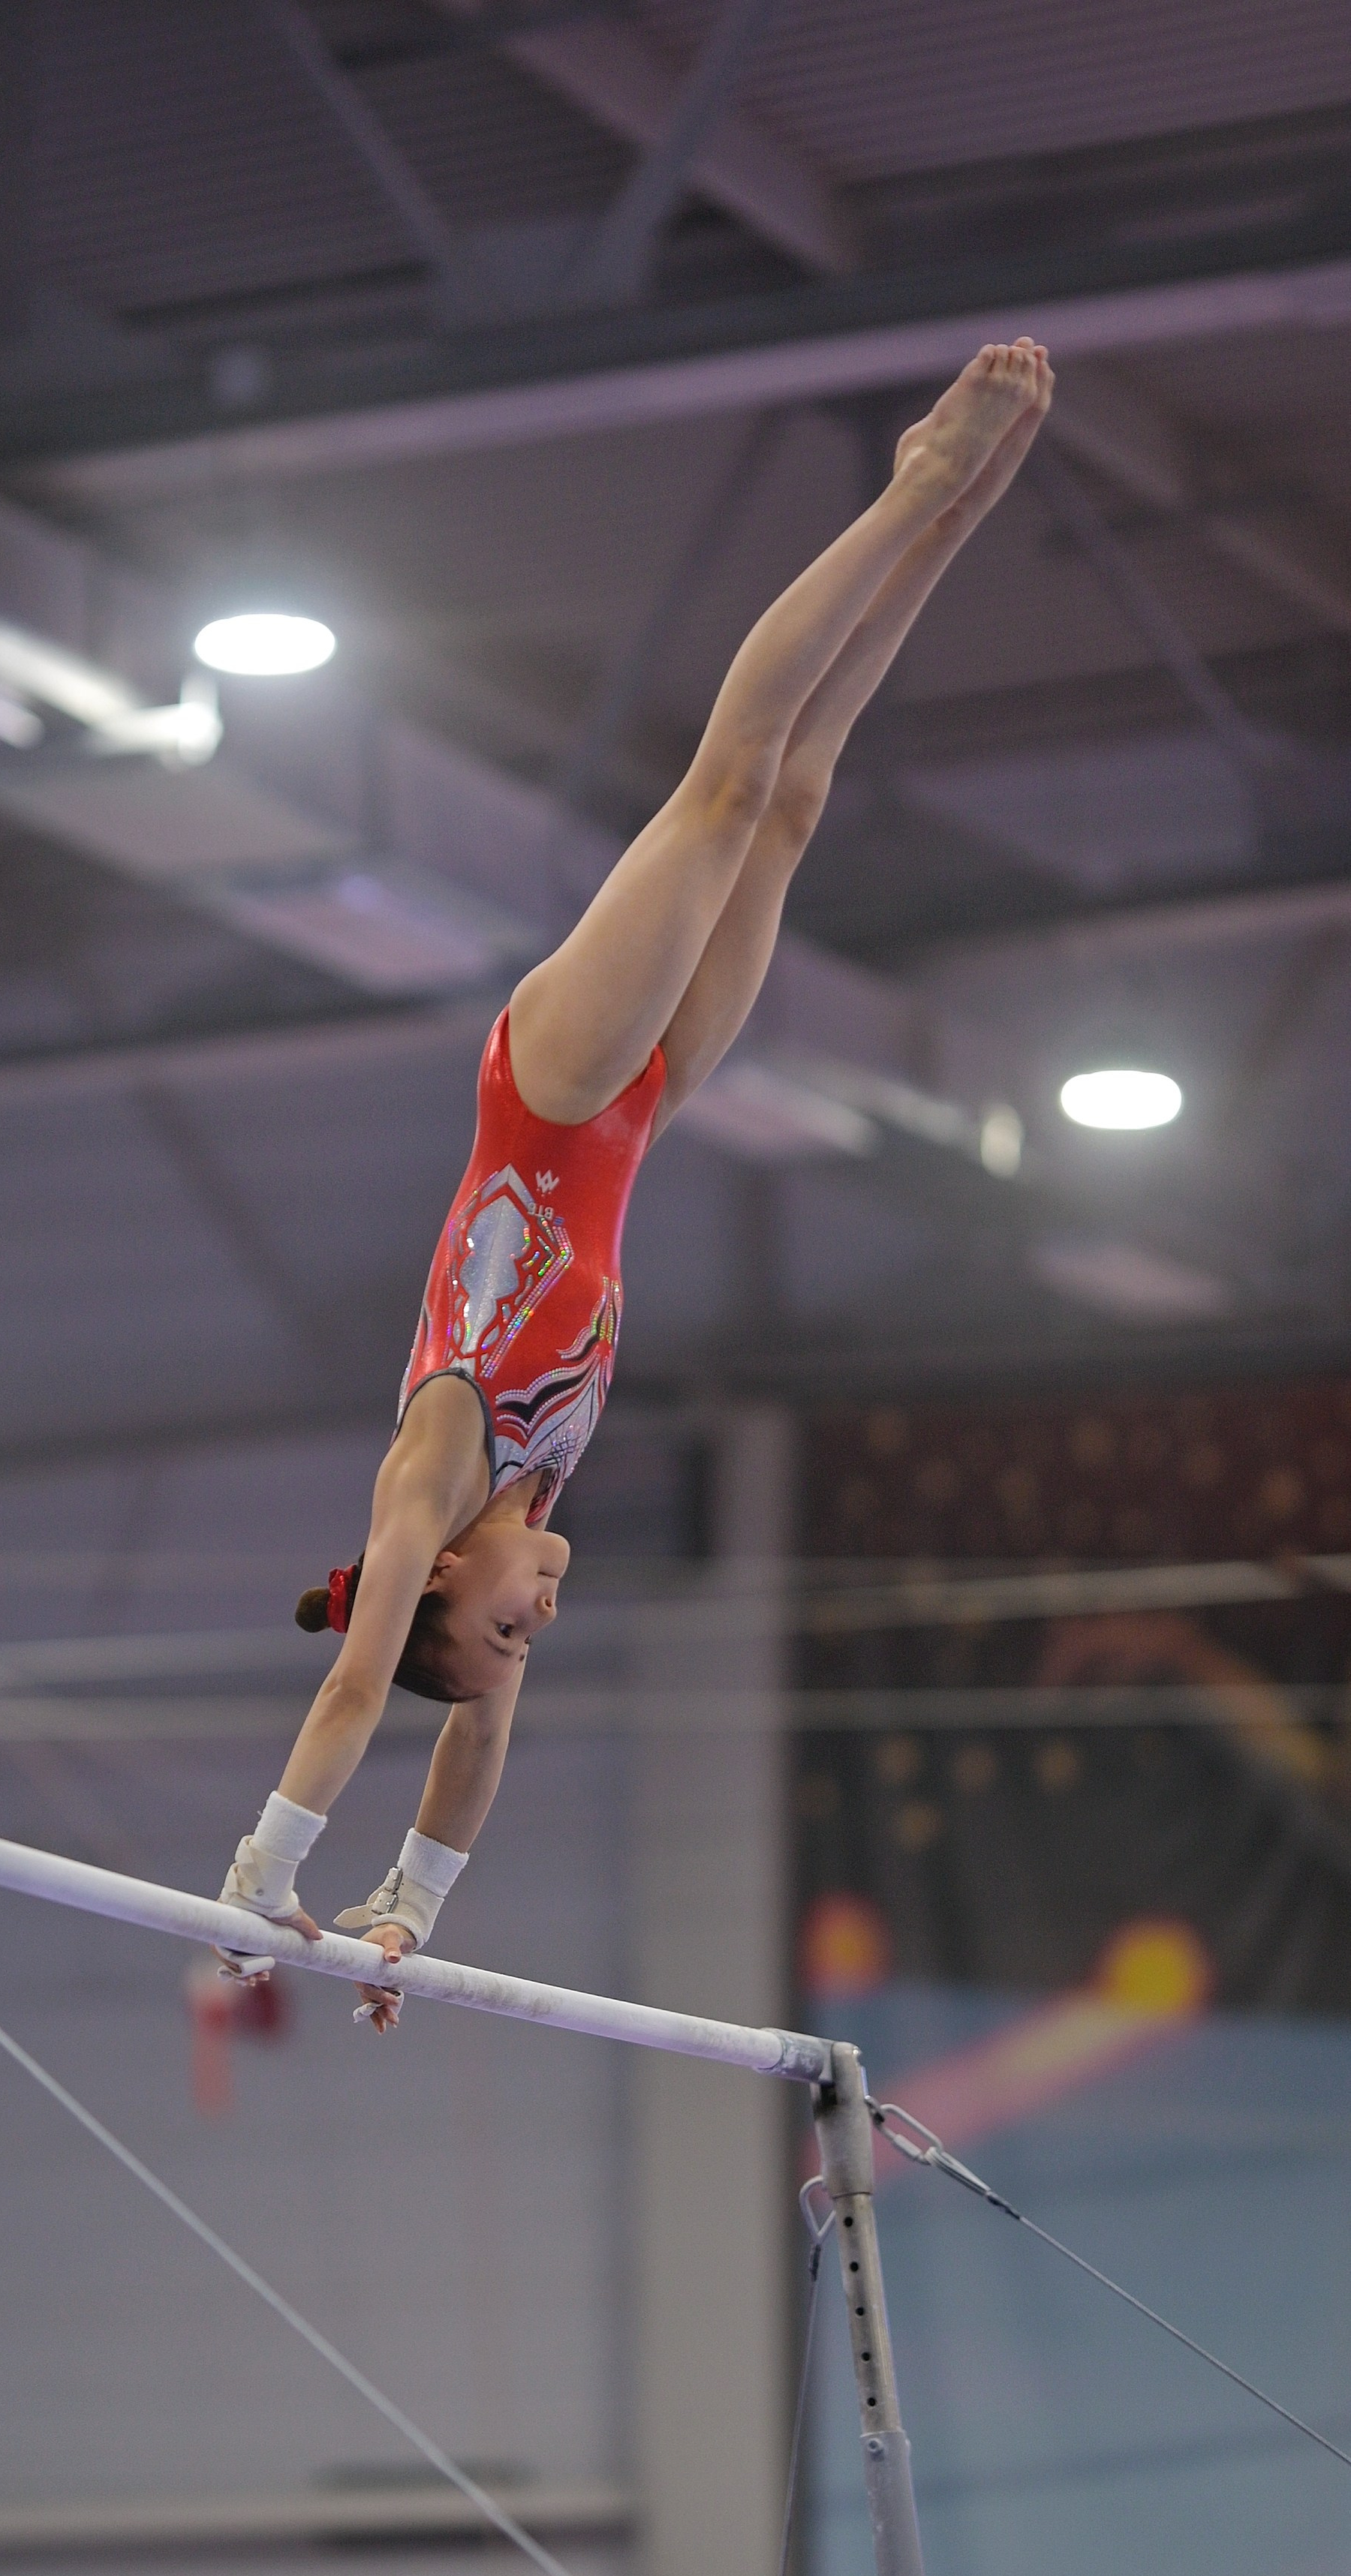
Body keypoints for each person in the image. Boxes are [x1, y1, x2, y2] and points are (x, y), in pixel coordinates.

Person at [214, 341, 1055, 2022]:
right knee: (796, 807)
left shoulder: (434, 1463)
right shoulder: (532, 1501)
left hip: (553, 1085)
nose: (534, 1628)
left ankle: (908, 476)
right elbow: (470, 1733)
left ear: (442, 1576)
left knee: (729, 780)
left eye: (503, 1629)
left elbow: (376, 1682)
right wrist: (410, 1914)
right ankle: (952, 512)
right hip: (647, 1106)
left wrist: (264, 1886)